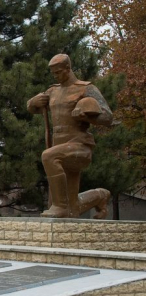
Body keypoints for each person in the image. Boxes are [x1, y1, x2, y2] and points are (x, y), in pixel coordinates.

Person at [27, 54, 112, 218]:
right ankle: (100, 196)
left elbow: (108, 117)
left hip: (79, 146)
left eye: (58, 72)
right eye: (53, 73)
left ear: (68, 69)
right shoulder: (53, 91)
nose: (55, 76)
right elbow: (33, 107)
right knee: (72, 208)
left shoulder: (86, 89)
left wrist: (87, 117)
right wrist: (33, 102)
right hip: (59, 146)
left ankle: (60, 206)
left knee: (49, 157)